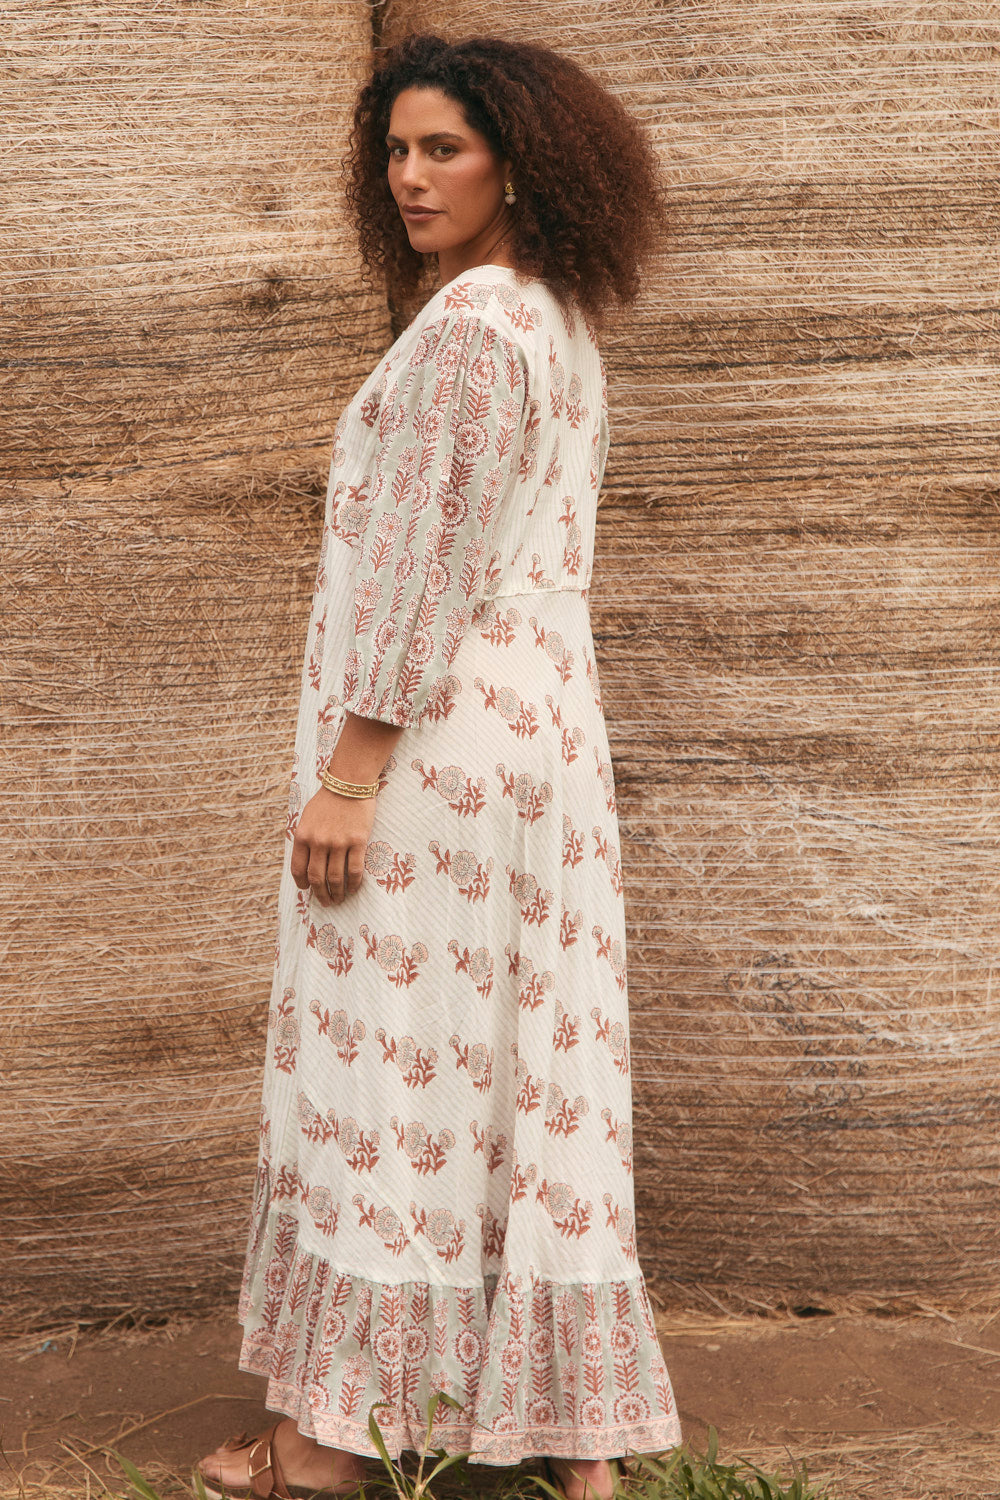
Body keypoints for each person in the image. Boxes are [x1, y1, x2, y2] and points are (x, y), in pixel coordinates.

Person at [195, 31, 681, 1500]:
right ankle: (578, 1454)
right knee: (538, 1075)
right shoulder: (555, 322)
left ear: (518, 163)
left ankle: (325, 1445)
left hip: (432, 752)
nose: (409, 176)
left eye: (442, 149)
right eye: (396, 151)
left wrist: (348, 777)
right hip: (542, 744)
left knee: (391, 1077)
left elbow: (418, 568)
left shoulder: (473, 332)